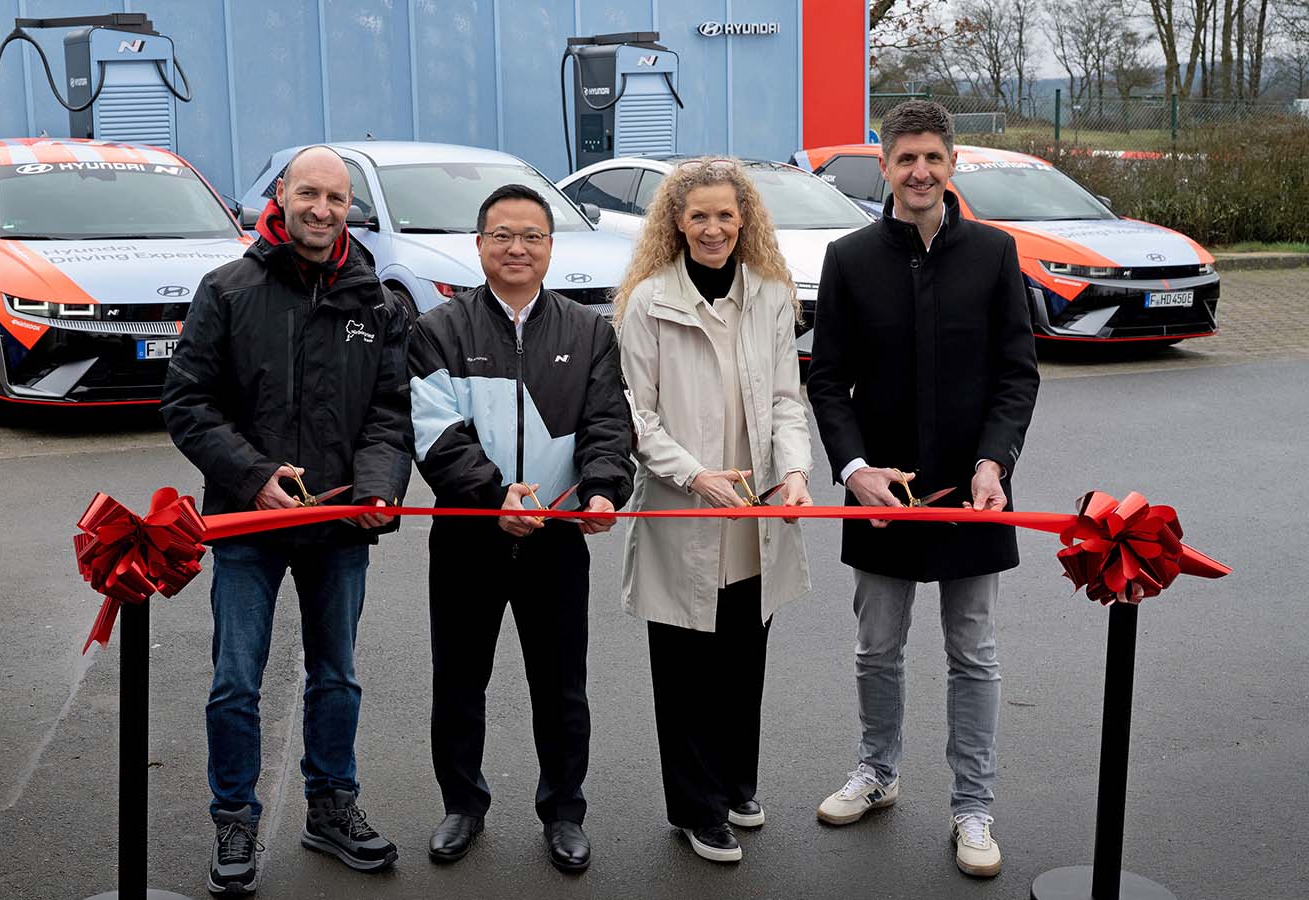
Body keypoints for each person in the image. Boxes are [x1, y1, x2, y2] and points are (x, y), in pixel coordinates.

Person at [162, 145, 413, 895]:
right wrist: (250, 475)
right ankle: (233, 816)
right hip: (247, 527)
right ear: (280, 194)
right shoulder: (228, 289)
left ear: (349, 209)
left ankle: (331, 806)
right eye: (309, 194)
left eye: (336, 199)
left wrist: (375, 488)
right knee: (235, 680)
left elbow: (390, 416)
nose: (322, 210)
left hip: (339, 530)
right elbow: (186, 403)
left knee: (336, 675)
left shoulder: (377, 303)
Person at [806, 100, 1040, 878]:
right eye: (905, 158)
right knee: (878, 648)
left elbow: (1016, 374)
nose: (919, 172)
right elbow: (829, 380)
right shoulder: (849, 258)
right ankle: (877, 771)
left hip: (974, 495)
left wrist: (994, 464)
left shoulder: (995, 254)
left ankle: (973, 808)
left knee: (973, 652)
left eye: (933, 158)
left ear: (951, 163)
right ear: (885, 165)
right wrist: (853, 470)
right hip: (881, 497)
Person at [407, 183, 634, 873]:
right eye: (501, 235)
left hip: (559, 538)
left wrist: (601, 491)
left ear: (549, 247)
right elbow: (435, 436)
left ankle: (564, 813)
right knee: (459, 679)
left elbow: (608, 425)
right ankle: (462, 806)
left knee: (562, 685)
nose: (516, 248)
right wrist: (492, 494)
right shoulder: (437, 331)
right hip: (469, 535)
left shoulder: (589, 331)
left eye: (531, 235)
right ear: (478, 246)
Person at [613, 157, 814, 864]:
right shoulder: (647, 304)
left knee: (741, 660)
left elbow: (789, 402)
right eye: (698, 215)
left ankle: (735, 783)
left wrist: (793, 470)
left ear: (744, 220)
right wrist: (695, 475)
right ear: (676, 221)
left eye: (726, 215)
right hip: (684, 512)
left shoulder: (768, 295)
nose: (713, 228)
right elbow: (635, 416)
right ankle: (697, 810)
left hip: (755, 515)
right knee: (686, 670)